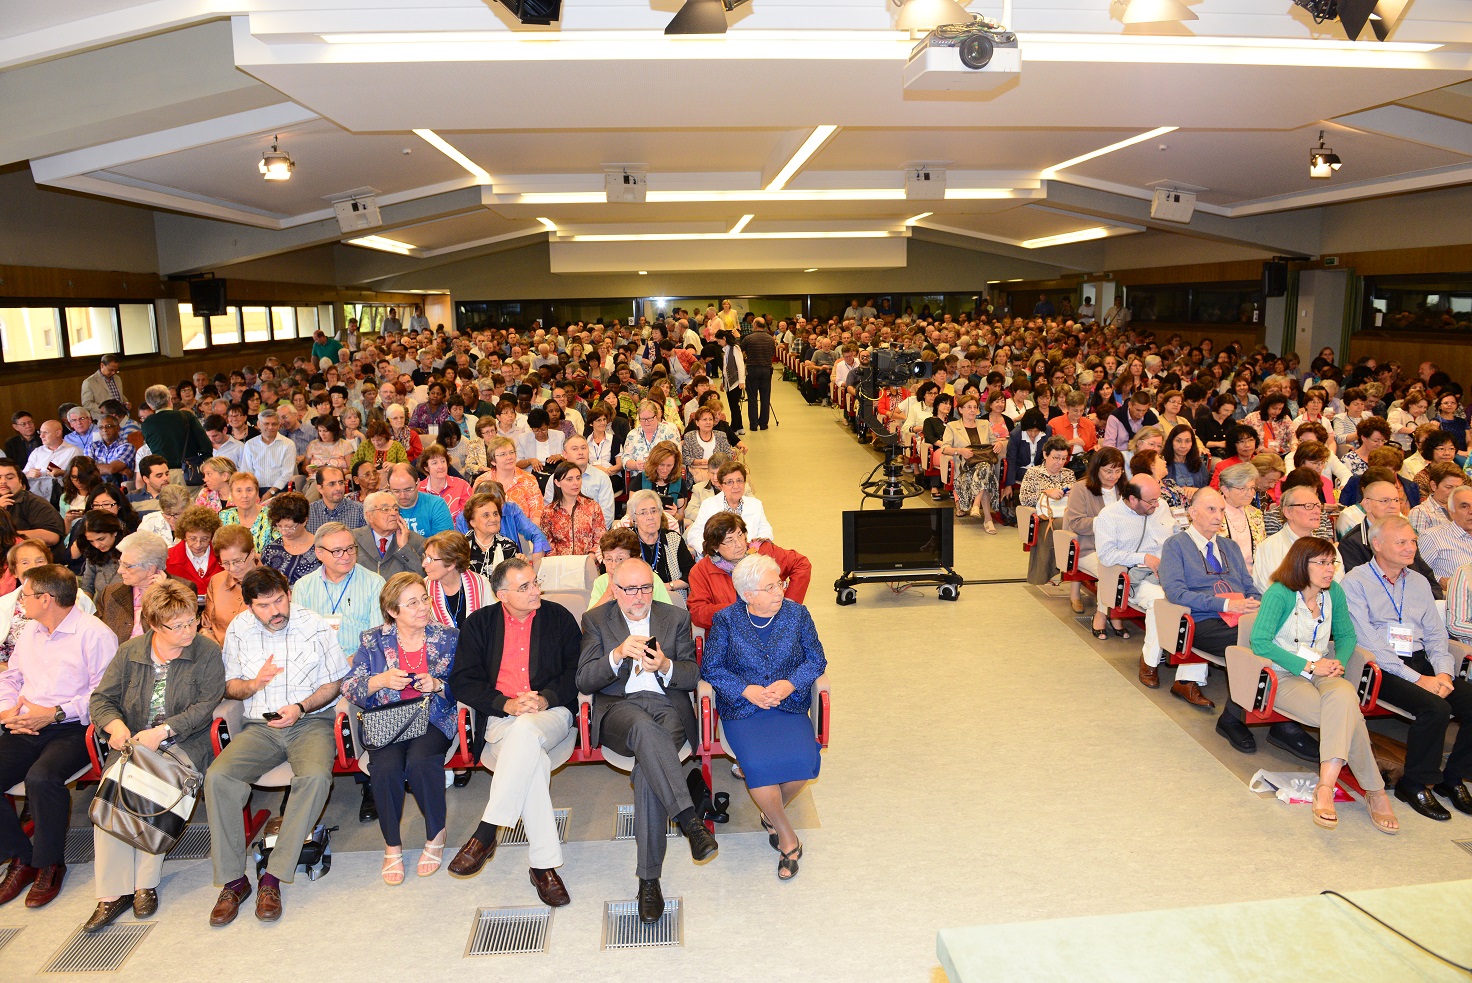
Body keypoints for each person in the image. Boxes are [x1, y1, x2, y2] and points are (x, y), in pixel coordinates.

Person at [576, 559, 716, 925]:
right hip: (620, 710)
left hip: (667, 707)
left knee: (647, 776)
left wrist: (666, 665)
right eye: (629, 589)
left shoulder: (675, 618)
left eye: (644, 588)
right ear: (615, 590)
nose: (638, 597)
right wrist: (617, 654)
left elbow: (691, 673)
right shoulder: (596, 620)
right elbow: (585, 680)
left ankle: (649, 880)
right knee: (642, 729)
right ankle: (689, 820)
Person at [83, 580, 227, 931]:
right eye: (176, 625)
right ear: (152, 625)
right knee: (113, 794)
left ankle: (144, 884)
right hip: (133, 743)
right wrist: (115, 727)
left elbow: (206, 705)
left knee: (153, 789)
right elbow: (101, 700)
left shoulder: (206, 652)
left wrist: (163, 731)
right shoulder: (131, 652)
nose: (188, 630)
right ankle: (111, 893)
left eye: (192, 620)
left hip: (184, 742)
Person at [205, 567, 345, 926]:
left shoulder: (313, 625)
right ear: (249, 606)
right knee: (218, 777)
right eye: (264, 605)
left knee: (314, 778)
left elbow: (334, 684)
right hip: (260, 726)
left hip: (309, 721)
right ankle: (234, 881)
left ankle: (273, 876)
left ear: (288, 593)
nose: (275, 611)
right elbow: (230, 686)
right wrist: (253, 684)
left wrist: (300, 707)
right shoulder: (238, 628)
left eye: (279, 600)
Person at [446, 558, 580, 907]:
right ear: (501, 594)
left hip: (550, 713)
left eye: (536, 582)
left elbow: (575, 673)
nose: (535, 590)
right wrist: (504, 704)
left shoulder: (558, 618)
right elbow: (463, 681)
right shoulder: (479, 624)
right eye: (525, 587)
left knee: (526, 732)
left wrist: (545, 698)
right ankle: (543, 867)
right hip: (501, 717)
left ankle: (487, 831)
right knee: (529, 758)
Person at [1249, 538, 1397, 833]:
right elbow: (1259, 641)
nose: (1330, 570)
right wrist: (1309, 666)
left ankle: (1325, 786)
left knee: (1342, 697)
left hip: (1324, 669)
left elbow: (1346, 637)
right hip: (1284, 672)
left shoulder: (1335, 594)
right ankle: (1375, 792)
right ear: (1301, 565)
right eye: (1323, 563)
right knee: (1347, 715)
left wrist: (1338, 662)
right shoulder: (1280, 593)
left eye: (1333, 563)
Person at [702, 553, 825, 879]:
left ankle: (770, 815)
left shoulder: (798, 615)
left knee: (803, 767)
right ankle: (786, 836)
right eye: (770, 587)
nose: (780, 591)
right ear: (748, 595)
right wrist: (747, 690)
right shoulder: (726, 620)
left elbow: (816, 660)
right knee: (760, 769)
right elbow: (711, 668)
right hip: (744, 711)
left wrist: (789, 683)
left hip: (788, 706)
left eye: (779, 583)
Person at [1342, 516, 1472, 822]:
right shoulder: (1355, 582)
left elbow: (1436, 632)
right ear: (1377, 545)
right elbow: (1369, 641)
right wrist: (1418, 679)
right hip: (1378, 667)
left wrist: (1442, 672)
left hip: (1420, 660)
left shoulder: (1416, 581)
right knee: (1435, 709)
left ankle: (1452, 778)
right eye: (1401, 542)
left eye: (1412, 541)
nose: (1410, 548)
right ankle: (1414, 783)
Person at [0, 565, 115, 910]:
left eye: (27, 594)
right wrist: (7, 713)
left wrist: (54, 713)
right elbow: (11, 677)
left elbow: (104, 696)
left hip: (74, 726)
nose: (22, 601)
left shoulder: (95, 634)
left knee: (42, 777)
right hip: (26, 722)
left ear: (46, 599)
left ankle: (49, 863)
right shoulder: (31, 632)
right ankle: (20, 856)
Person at [342, 573, 457, 884]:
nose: (423, 607)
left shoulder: (448, 637)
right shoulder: (373, 640)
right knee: (386, 768)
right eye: (413, 603)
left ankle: (435, 833)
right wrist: (380, 681)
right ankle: (392, 844)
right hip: (388, 719)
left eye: (424, 598)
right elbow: (350, 687)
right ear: (393, 611)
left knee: (421, 763)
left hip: (432, 717)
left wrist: (438, 685)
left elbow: (465, 685)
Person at [1155, 487, 1259, 714]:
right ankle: (1237, 716)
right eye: (1211, 509)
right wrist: (1226, 605)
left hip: (1240, 615)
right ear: (1192, 512)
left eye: (1221, 510)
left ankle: (1248, 711)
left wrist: (1258, 603)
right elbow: (1176, 593)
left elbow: (1249, 586)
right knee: (1258, 642)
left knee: (1276, 632)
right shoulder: (1176, 545)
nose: (1218, 515)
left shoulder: (1230, 547)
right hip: (1203, 620)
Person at [687, 513, 811, 631]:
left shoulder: (763, 551)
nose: (740, 544)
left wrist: (789, 604)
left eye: (740, 535)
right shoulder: (701, 571)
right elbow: (698, 613)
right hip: (731, 634)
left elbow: (801, 565)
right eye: (730, 540)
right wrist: (741, 612)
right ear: (715, 546)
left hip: (774, 627)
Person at [1340, 470, 1444, 597]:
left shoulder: (1406, 536)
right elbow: (1362, 589)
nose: (1393, 506)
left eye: (1396, 500)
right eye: (1385, 501)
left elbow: (1430, 581)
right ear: (1366, 504)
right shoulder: (1353, 542)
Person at [1064, 448, 1127, 615]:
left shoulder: (1124, 490)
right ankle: (1105, 616)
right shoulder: (1081, 488)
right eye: (1108, 471)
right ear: (1096, 469)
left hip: (1121, 548)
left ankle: (1118, 613)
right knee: (1111, 572)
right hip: (1089, 548)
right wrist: (1105, 522)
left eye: (1118, 471)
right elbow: (1077, 523)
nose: (1113, 476)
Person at [1251, 483, 1343, 595]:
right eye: (1308, 506)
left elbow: (1337, 585)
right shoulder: (1268, 547)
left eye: (1318, 506)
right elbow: (1267, 588)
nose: (1317, 511)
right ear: (1288, 512)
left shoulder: (1327, 549)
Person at [99, 531, 180, 643]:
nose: (120, 570)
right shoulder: (110, 592)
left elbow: (174, 635)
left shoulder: (180, 592)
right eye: (120, 563)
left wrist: (160, 595)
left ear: (150, 569)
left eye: (127, 566)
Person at [937, 394, 1000, 531]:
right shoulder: (952, 426)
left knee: (985, 468)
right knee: (986, 471)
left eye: (975, 407)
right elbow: (945, 448)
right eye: (969, 407)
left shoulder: (984, 424)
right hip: (965, 468)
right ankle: (987, 519)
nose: (972, 410)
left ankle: (977, 506)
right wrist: (959, 451)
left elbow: (994, 443)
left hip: (984, 465)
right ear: (960, 410)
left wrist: (999, 444)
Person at [686, 460, 773, 556]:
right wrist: (712, 552)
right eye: (730, 482)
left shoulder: (755, 505)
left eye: (739, 481)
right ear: (721, 485)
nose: (736, 486)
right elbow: (694, 534)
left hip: (750, 558)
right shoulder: (709, 505)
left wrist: (754, 548)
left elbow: (766, 531)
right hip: (718, 559)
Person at [628, 489, 695, 596]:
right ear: (634, 518)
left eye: (654, 511)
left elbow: (692, 574)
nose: (650, 517)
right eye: (643, 512)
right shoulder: (625, 541)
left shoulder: (673, 539)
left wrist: (668, 586)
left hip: (670, 598)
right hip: (635, 598)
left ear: (660, 513)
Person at [421, 531, 492, 631]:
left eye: (430, 559)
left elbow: (492, 626)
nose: (424, 564)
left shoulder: (482, 584)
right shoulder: (423, 588)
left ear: (451, 564)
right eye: (425, 556)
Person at [138, 385, 210, 479]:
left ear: (150, 405)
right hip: (190, 473)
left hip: (163, 475)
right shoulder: (186, 416)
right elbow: (206, 445)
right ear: (169, 399)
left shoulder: (146, 424)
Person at [201, 525, 256, 645]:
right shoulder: (216, 581)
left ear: (252, 553)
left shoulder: (273, 582)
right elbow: (206, 627)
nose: (232, 568)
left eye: (237, 561)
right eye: (225, 563)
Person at [353, 490, 427, 579]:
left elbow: (423, 577)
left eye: (396, 509)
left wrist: (405, 548)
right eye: (385, 509)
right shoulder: (353, 539)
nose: (393, 513)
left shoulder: (416, 541)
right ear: (369, 516)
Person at [1217, 462, 1267, 580]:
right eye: (1242, 488)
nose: (1250, 493)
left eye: (1252, 488)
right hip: (1222, 579)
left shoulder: (1256, 514)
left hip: (1254, 578)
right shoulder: (1212, 513)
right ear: (1225, 490)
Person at [259, 492, 321, 586]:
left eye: (289, 527)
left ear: (304, 521)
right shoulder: (270, 550)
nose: (283, 532)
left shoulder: (320, 547)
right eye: (279, 526)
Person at [544, 461, 604, 557]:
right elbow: (547, 544)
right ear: (557, 483)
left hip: (588, 563)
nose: (576, 483)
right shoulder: (549, 512)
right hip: (559, 566)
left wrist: (591, 559)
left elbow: (600, 540)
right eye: (569, 479)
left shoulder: (593, 507)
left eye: (578, 478)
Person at [165, 506, 223, 595]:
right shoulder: (168, 558)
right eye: (192, 538)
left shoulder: (223, 556)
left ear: (212, 536)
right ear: (184, 535)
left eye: (204, 539)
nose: (198, 544)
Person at [462, 493, 521, 579]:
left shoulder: (509, 547)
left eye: (495, 514)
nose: (493, 519)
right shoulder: (461, 547)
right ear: (472, 522)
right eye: (486, 515)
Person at [386, 462, 452, 538]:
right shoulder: (382, 508)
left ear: (418, 483)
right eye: (396, 491)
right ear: (389, 487)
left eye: (408, 489)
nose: (402, 496)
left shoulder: (436, 505)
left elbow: (444, 544)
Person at [219, 472, 272, 553]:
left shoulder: (271, 516)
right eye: (239, 491)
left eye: (249, 490)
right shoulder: (224, 516)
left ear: (257, 493)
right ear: (232, 494)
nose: (244, 495)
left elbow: (277, 551)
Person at [418, 445, 472, 522]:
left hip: (456, 532)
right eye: (435, 463)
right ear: (426, 468)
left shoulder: (462, 486)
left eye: (443, 461)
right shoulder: (418, 490)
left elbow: (468, 517)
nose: (441, 466)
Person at [306, 465, 365, 532]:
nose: (338, 488)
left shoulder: (359, 510)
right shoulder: (309, 513)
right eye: (332, 484)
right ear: (320, 489)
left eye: (341, 482)